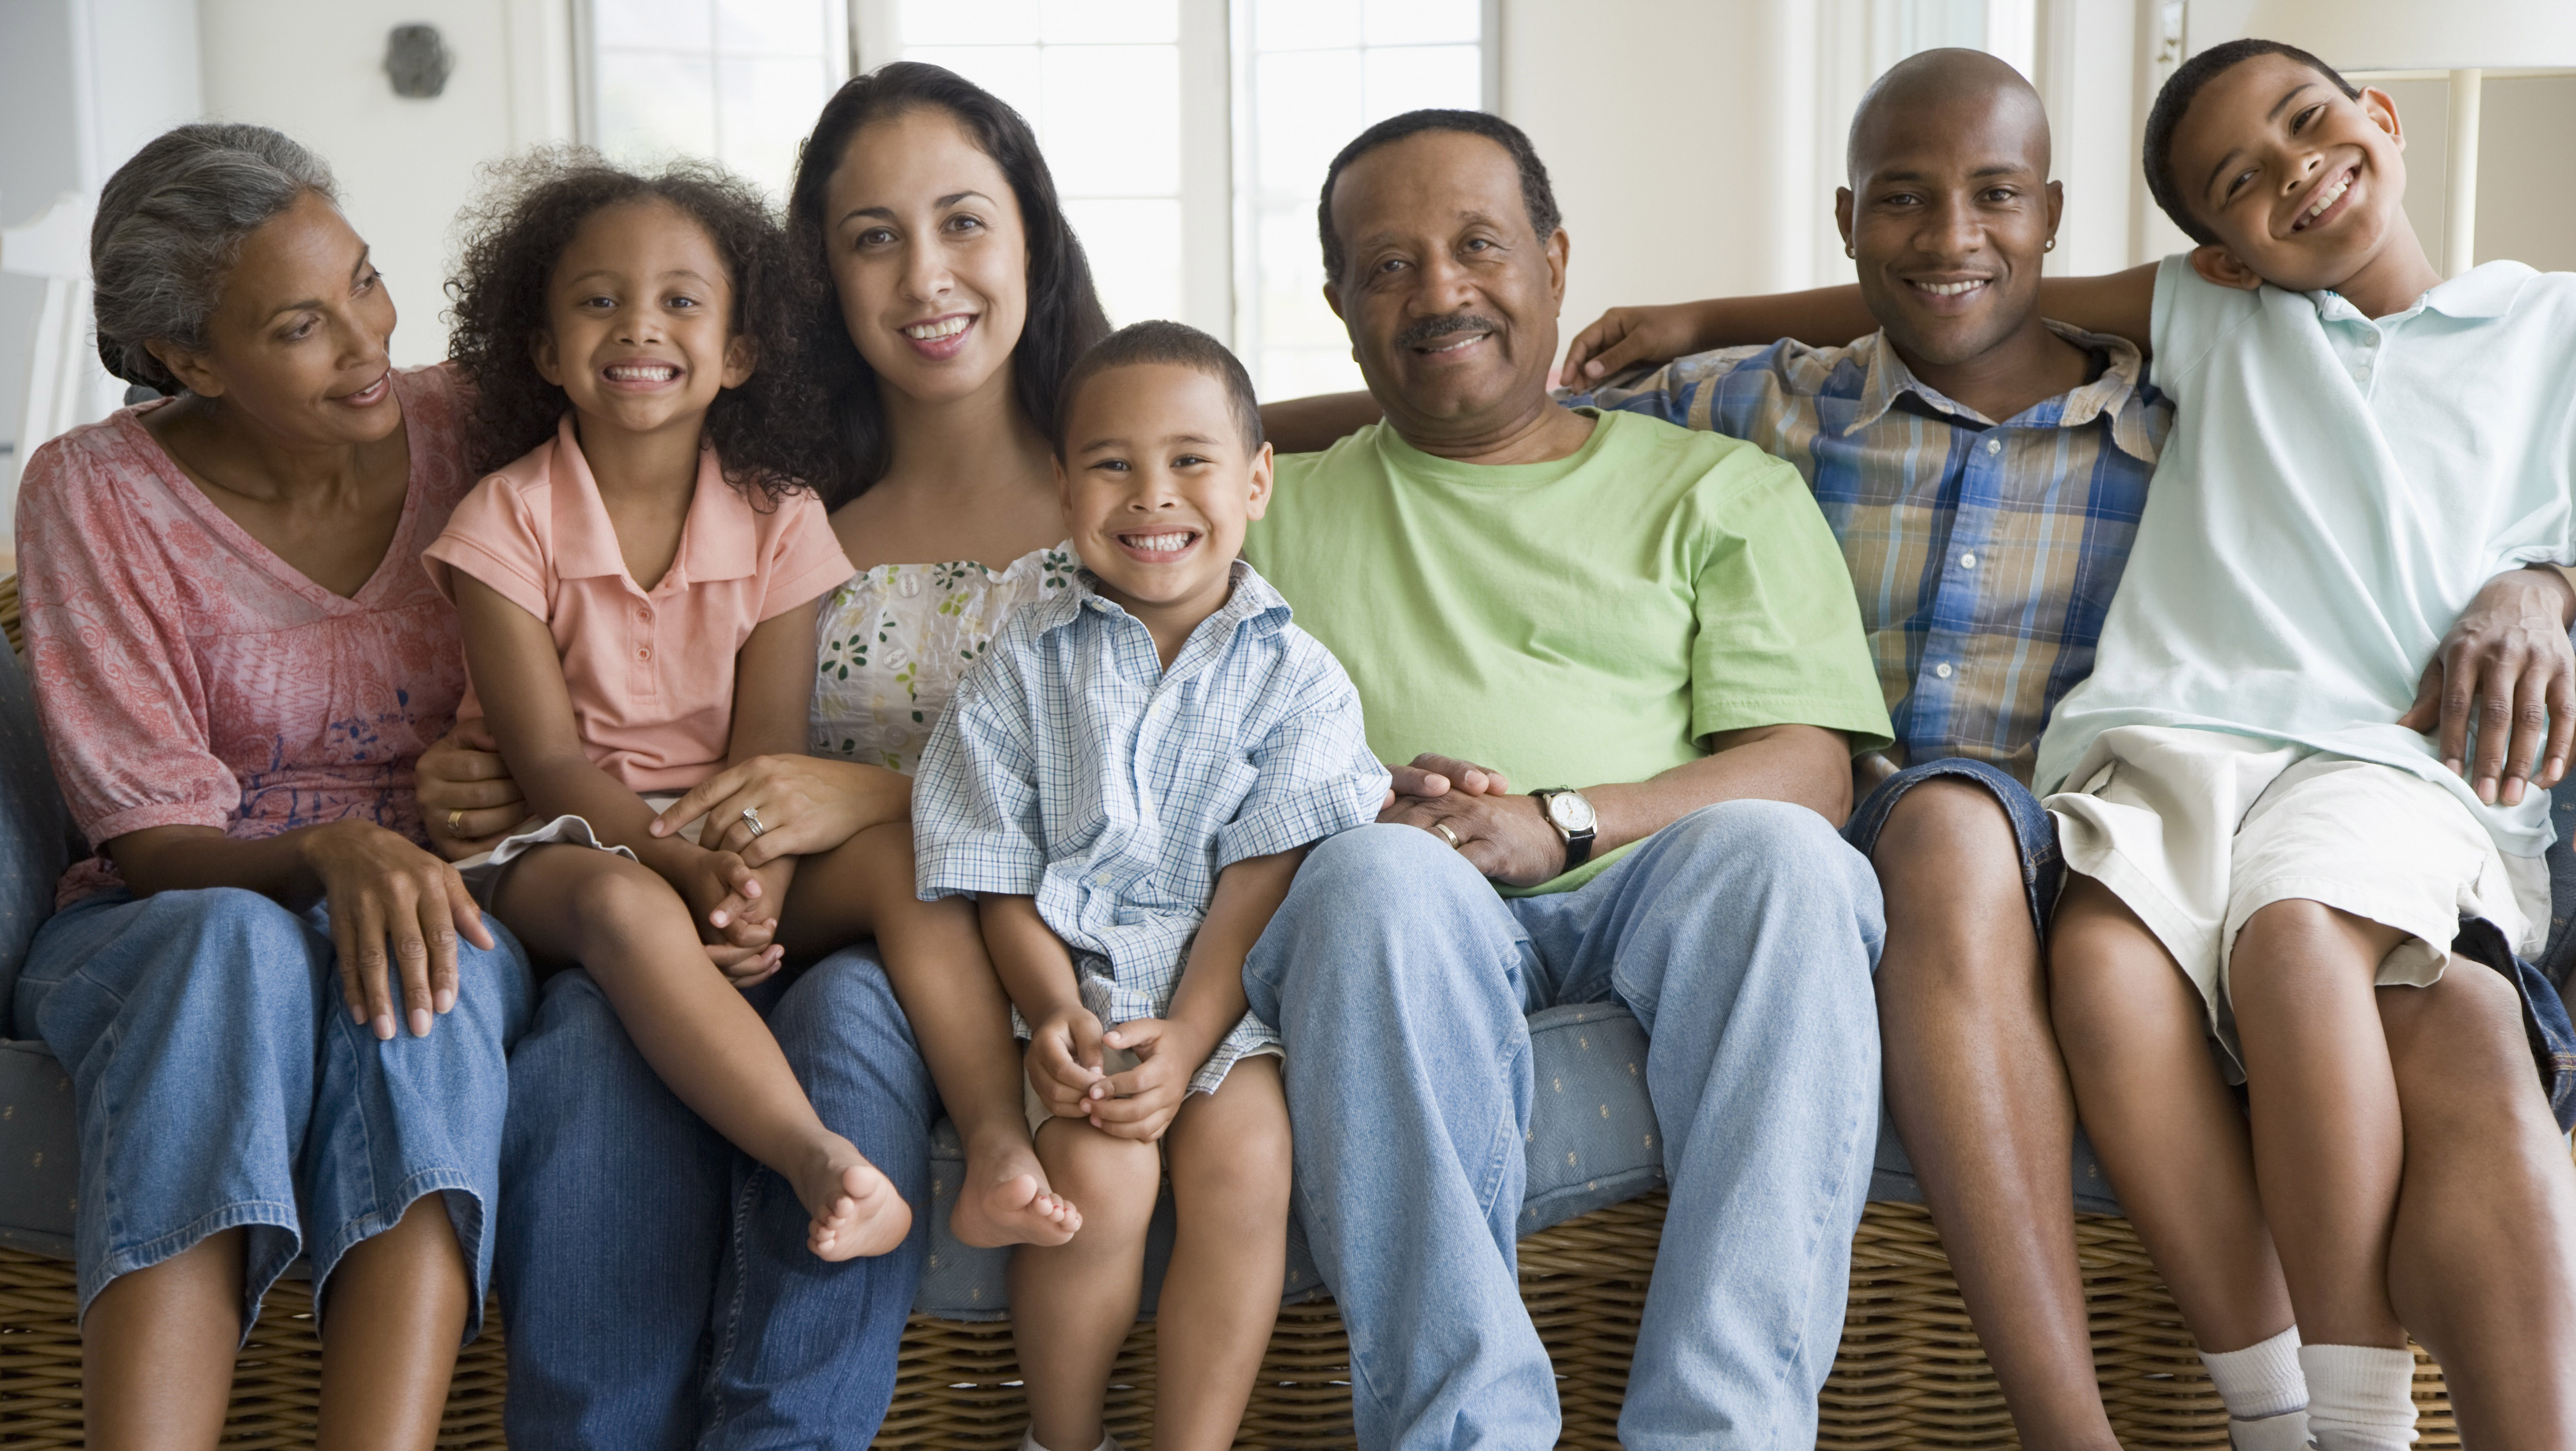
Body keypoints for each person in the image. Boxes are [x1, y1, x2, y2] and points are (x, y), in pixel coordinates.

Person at [431, 64, 1100, 1446]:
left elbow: (1270, 434)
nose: (925, 274)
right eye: (871, 237)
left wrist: (845, 809)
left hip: (902, 913)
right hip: (663, 882)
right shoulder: (804, 486)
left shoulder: (1140, 490)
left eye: (965, 220)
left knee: (850, 1016)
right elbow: (571, 751)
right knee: (579, 1049)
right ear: (815, 291)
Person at [1236, 109, 1897, 1451]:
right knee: (1373, 874)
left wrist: (1564, 818)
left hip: (1649, 876)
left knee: (1788, 859)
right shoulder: (1263, 511)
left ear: (1553, 261)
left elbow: (1811, 767)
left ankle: (1722, 1430)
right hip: (1407, 896)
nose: (1438, 292)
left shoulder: (1720, 489)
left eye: (1477, 246)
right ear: (1339, 305)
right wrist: (1352, 804)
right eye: (1387, 265)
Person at [2025, 40, 2576, 1451]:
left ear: (2378, 119)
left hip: (2383, 760)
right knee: (2095, 957)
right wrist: (1687, 320)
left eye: (2309, 124)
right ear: (2216, 256)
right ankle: (2272, 1414)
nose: (2294, 171)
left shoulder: (2551, 324)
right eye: (2240, 183)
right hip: (2170, 737)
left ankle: (2356, 1415)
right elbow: (1979, 291)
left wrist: (2547, 581)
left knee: (2289, 932)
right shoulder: (2215, 321)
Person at [10, 123, 530, 1450]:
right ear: (188, 357)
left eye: (363, 279)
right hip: (170, 914)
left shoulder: (475, 423)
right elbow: (153, 833)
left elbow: (606, 641)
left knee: (425, 954)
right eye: (303, 323)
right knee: (241, 946)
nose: (369, 339)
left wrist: (509, 766)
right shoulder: (89, 490)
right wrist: (332, 849)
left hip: (442, 894)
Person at [431, 153, 996, 1261]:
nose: (639, 328)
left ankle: (999, 1144)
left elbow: (768, 760)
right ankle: (813, 1154)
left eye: (680, 302)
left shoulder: (780, 521)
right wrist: (683, 873)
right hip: (560, 847)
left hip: (728, 833)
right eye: (598, 302)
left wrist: (751, 892)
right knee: (627, 909)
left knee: (906, 860)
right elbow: (546, 761)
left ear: (737, 353)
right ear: (545, 350)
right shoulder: (503, 522)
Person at [914, 320, 1387, 1451]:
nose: (1151, 496)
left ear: (1257, 480)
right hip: (1074, 989)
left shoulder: (1296, 677)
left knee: (1247, 1165)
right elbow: (994, 876)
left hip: (1227, 1000)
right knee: (1097, 1183)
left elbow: (1260, 881)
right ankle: (1062, 1439)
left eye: (1190, 461)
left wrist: (1188, 1032)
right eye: (1112, 464)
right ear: (1061, 485)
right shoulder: (1023, 662)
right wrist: (1054, 1014)